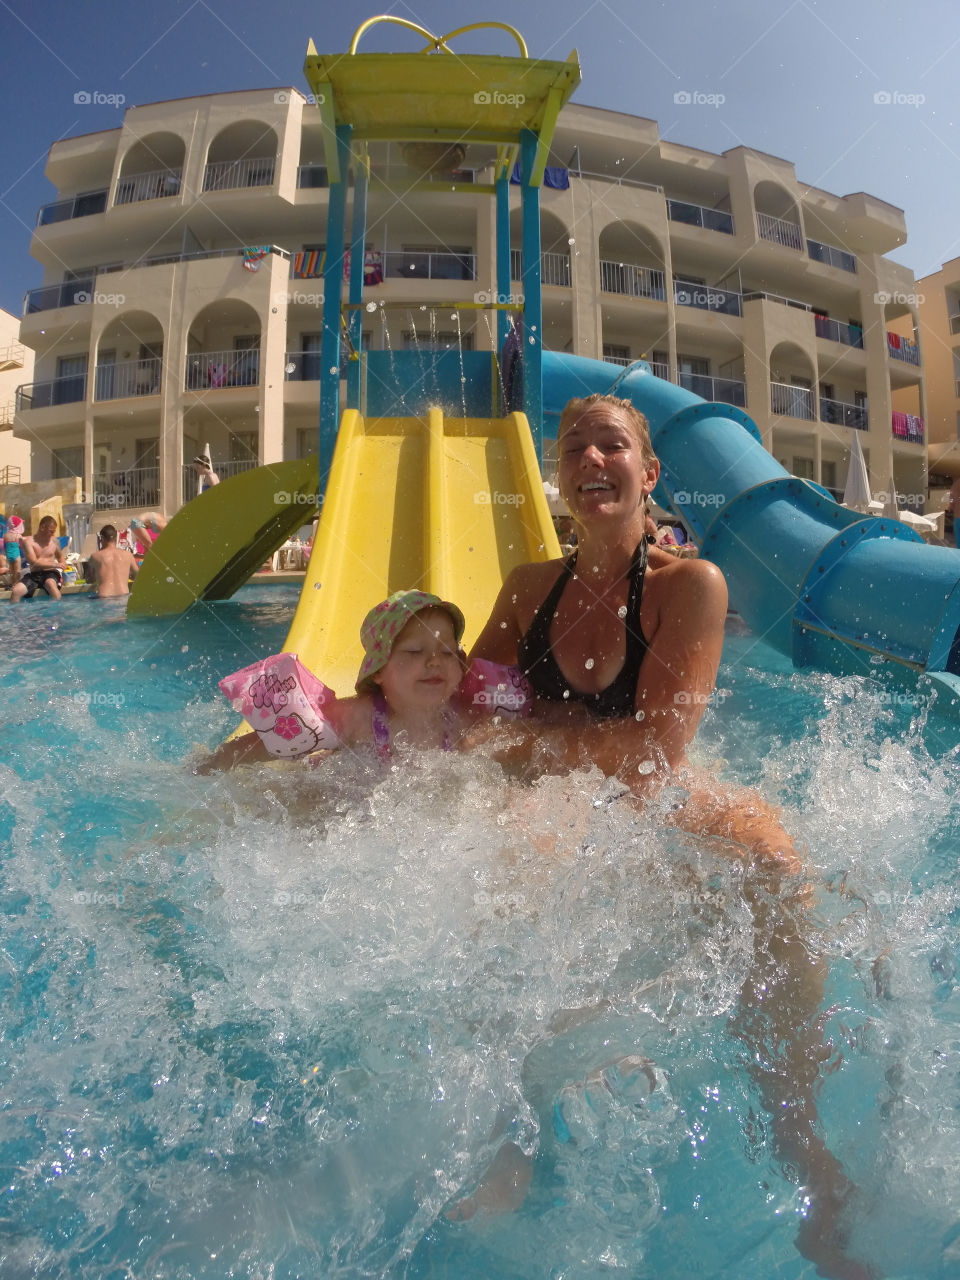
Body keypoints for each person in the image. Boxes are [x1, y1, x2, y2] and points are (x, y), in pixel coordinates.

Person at [463, 394, 872, 1280]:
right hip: (554, 795)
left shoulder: (691, 587)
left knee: (777, 862)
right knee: (517, 869)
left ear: (647, 473)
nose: (591, 458)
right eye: (575, 447)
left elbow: (656, 754)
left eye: (611, 444)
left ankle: (799, 1133)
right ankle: (510, 1128)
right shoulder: (528, 588)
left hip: (651, 790)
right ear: (560, 478)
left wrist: (537, 736)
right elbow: (470, 712)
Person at [199, 590, 528, 772]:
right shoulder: (359, 716)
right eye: (414, 652)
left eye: (447, 652)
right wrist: (211, 765)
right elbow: (269, 742)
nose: (434, 662)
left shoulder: (464, 721)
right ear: (379, 671)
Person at [10, 515, 67, 602]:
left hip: (51, 573)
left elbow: (60, 557)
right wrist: (55, 564)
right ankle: (14, 610)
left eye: (54, 531)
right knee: (16, 591)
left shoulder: (54, 541)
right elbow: (33, 562)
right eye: (51, 531)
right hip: (34, 574)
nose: (53, 534)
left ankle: (58, 609)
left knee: (50, 584)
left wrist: (63, 567)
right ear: (42, 527)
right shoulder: (28, 541)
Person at [88, 524, 140, 598]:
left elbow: (90, 579)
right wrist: (127, 575)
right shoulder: (128, 555)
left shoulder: (95, 556)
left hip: (105, 597)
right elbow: (138, 575)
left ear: (102, 539)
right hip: (123, 596)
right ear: (116, 538)